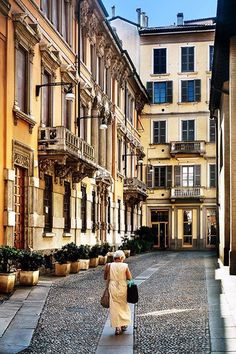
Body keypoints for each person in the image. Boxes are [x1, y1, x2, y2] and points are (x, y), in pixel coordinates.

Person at [104, 250, 133, 335]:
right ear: (121, 258)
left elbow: (105, 277)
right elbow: (130, 278)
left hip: (112, 286)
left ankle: (117, 328)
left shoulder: (108, 265)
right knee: (123, 306)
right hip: (123, 287)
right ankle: (124, 324)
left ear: (114, 258)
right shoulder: (125, 266)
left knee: (114, 307)